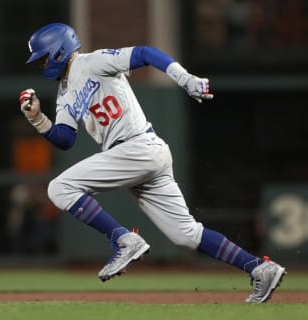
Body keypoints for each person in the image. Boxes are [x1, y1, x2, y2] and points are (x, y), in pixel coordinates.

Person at [19, 22, 286, 303]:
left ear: (59, 51)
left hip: (137, 147)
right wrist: (38, 119)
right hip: (138, 155)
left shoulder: (93, 61)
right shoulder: (64, 93)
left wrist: (184, 78)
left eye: (44, 57)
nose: (42, 63)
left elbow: (144, 53)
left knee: (59, 188)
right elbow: (64, 139)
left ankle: (124, 239)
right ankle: (260, 268)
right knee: (186, 235)